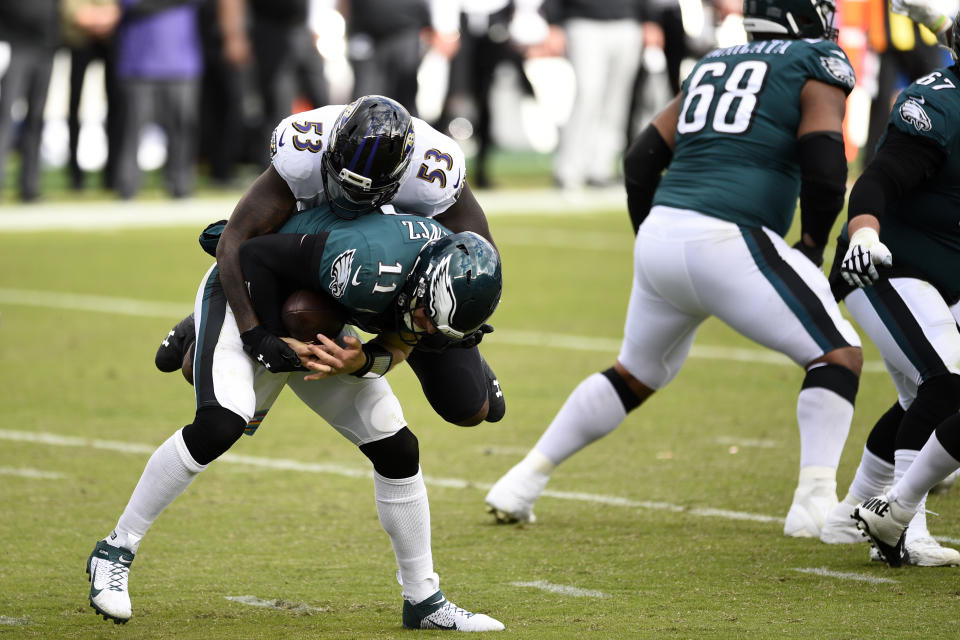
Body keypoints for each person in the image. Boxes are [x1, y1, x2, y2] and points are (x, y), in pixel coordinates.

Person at [485, 0, 865, 539]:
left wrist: (653, 235)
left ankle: (522, 479)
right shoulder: (817, 60)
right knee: (837, 355)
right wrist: (810, 243)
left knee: (635, 372)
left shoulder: (717, 61)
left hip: (666, 232)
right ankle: (814, 502)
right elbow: (827, 167)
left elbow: (641, 157)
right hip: (731, 234)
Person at [86, 202, 506, 632]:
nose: (426, 329)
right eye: (426, 318)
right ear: (423, 283)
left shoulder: (431, 291)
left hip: (313, 311)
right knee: (222, 422)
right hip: (245, 294)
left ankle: (423, 599)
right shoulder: (368, 258)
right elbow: (251, 256)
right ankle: (115, 549)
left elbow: (400, 346)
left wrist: (357, 361)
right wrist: (269, 340)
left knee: (396, 446)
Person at [156, 95, 505, 431]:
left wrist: (461, 321)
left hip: (403, 271)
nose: (350, 199)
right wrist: (255, 334)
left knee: (469, 409)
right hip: (312, 253)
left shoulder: (433, 172)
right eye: (342, 183)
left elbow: (479, 252)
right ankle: (203, 319)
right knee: (278, 326)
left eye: (365, 193)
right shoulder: (304, 145)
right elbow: (238, 240)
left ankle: (451, 338)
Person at [821, 7, 960, 567]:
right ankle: (901, 521)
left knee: (920, 397)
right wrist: (865, 232)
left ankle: (849, 514)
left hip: (945, 272)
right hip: (887, 264)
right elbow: (880, 177)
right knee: (947, 384)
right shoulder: (941, 100)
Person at [0, 0, 59, 202]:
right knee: (5, 118)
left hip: (45, 49)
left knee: (36, 119)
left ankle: (29, 186)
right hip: (14, 47)